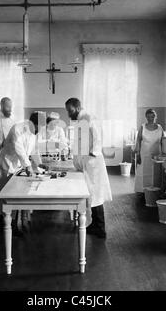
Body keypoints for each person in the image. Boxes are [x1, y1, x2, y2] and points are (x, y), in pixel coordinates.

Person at [65, 98, 112, 239]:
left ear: (77, 108)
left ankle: (101, 228)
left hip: (93, 161)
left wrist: (95, 152)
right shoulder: (80, 120)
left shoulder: (89, 117)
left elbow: (98, 135)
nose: (68, 114)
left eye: (70, 110)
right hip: (87, 161)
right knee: (91, 193)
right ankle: (95, 224)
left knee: (96, 194)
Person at [0, 112, 45, 235]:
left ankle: (24, 220)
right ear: (32, 123)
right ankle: (11, 224)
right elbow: (20, 150)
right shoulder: (16, 129)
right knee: (12, 195)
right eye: (39, 128)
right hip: (9, 163)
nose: (39, 131)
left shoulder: (34, 132)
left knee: (22, 192)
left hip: (20, 164)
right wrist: (28, 166)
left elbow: (34, 150)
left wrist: (39, 164)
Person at [134, 109, 164, 195]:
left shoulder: (159, 128)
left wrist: (165, 154)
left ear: (155, 117)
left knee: (156, 173)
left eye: (152, 116)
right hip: (144, 154)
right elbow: (138, 140)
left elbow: (164, 141)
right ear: (146, 117)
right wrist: (138, 154)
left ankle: (155, 190)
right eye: (148, 116)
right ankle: (142, 190)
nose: (151, 118)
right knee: (143, 171)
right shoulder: (142, 127)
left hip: (157, 154)